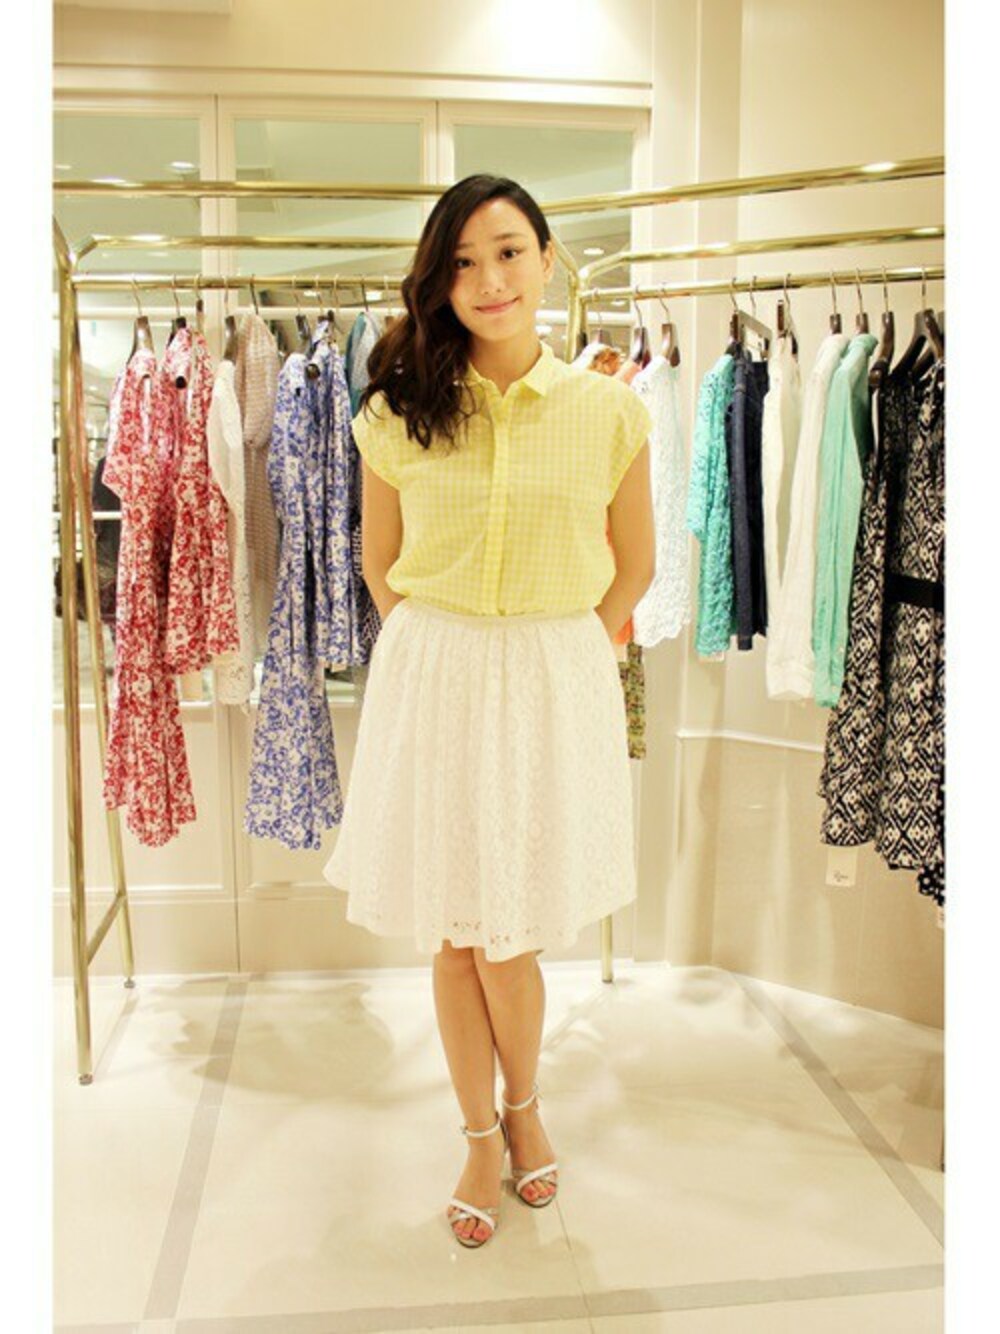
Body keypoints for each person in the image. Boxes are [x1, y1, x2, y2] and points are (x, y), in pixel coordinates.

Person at [322, 174, 655, 1249]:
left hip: (555, 676)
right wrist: (449, 656)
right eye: (462, 262)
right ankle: (479, 1133)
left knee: (512, 939)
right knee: (457, 933)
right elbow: (379, 565)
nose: (488, 280)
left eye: (508, 252)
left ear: (548, 260)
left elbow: (635, 565)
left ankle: (525, 1107)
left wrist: (564, 655)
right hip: (438, 677)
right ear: (439, 281)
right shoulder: (395, 411)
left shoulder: (610, 409)